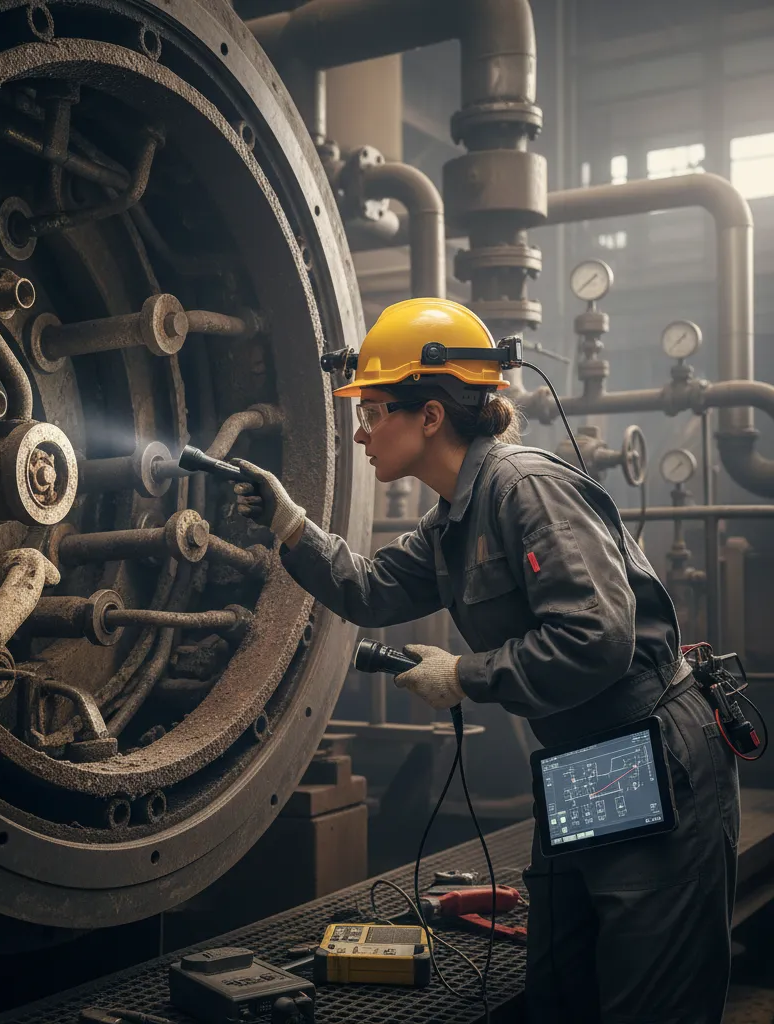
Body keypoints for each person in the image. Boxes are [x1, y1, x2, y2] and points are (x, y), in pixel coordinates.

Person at [231, 298, 740, 1024]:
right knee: (562, 992)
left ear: (430, 415)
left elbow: (596, 635)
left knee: (650, 1000)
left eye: (374, 410)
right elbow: (370, 589)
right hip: (586, 762)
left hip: (653, 753)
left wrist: (463, 674)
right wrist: (290, 524)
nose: (361, 429)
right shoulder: (453, 521)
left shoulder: (523, 489)